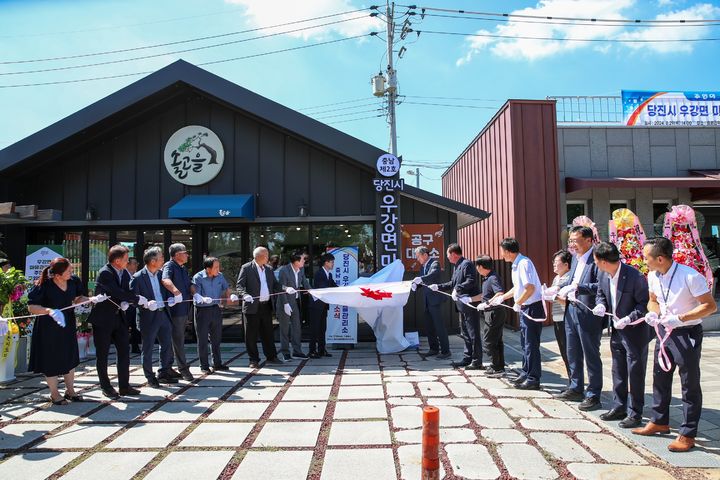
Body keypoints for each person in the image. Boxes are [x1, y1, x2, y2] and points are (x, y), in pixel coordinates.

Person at [633, 237, 717, 452]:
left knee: (689, 383)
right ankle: (659, 420)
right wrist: (653, 313)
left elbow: (709, 306)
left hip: (685, 332)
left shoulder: (690, 276)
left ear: (660, 258)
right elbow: (653, 299)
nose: (644, 262)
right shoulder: (653, 275)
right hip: (663, 331)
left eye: (646, 258)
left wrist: (681, 318)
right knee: (660, 377)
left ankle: (688, 433)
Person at [593, 242, 650, 429]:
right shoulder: (603, 274)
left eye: (596, 261)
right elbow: (601, 293)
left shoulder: (634, 276)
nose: (595, 265)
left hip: (635, 331)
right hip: (616, 330)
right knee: (618, 369)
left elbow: (644, 304)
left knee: (635, 372)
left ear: (603, 261)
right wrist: (601, 304)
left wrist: (629, 318)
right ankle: (619, 407)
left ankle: (635, 413)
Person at [27, 258, 92, 405]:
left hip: (66, 323)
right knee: (51, 358)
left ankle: (71, 391)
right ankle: (54, 393)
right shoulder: (44, 285)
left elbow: (77, 298)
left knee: (69, 355)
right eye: (69, 270)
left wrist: (91, 299)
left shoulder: (73, 281)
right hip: (48, 326)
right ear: (57, 275)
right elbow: (31, 307)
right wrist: (49, 310)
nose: (72, 272)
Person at [555, 226, 604, 410]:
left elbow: (600, 285)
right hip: (571, 309)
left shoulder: (596, 259)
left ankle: (593, 394)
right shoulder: (576, 259)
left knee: (591, 354)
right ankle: (576, 387)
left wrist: (578, 288)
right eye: (571, 240)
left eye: (576, 240)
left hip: (588, 311)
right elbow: (571, 281)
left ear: (589, 240)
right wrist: (558, 288)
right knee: (572, 350)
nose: (572, 244)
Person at [89, 245, 143, 399]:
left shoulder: (124, 272)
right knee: (103, 354)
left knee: (124, 351)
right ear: (117, 260)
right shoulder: (105, 272)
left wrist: (130, 300)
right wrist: (136, 299)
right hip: (103, 319)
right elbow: (116, 292)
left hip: (119, 317)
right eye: (126, 259)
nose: (128, 262)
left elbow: (128, 290)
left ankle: (124, 386)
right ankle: (106, 387)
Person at [490, 238, 544, 390]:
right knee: (525, 343)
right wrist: (502, 297)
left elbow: (530, 288)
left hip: (532, 307)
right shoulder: (516, 265)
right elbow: (517, 288)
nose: (501, 255)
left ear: (507, 251)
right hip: (525, 307)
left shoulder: (523, 263)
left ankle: (533, 378)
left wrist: (518, 302)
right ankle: (526, 372)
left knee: (531, 344)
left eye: (502, 251)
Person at [428, 243, 482, 370]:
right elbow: (453, 282)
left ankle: (476, 360)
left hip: (469, 303)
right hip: (461, 305)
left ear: (453, 254)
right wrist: (438, 286)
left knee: (473, 333)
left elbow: (470, 281)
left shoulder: (467, 264)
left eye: (448, 254)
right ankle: (467, 357)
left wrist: (457, 289)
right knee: (466, 332)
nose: (447, 257)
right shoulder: (456, 266)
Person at [130, 246, 177, 387]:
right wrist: (145, 304)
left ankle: (163, 372)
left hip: (163, 313)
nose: (163, 259)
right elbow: (132, 299)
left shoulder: (161, 274)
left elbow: (165, 292)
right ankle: (150, 377)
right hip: (148, 317)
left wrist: (171, 299)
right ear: (152, 261)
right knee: (148, 347)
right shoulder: (138, 277)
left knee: (167, 345)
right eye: (161, 257)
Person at [237, 247, 291, 368]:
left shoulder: (269, 269)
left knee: (268, 333)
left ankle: (271, 357)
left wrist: (285, 288)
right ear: (259, 257)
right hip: (251, 306)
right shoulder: (246, 268)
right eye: (266, 255)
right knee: (251, 334)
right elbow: (239, 286)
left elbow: (275, 284)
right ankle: (253, 359)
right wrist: (245, 295)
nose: (268, 257)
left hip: (266, 306)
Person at [192, 256, 234, 373]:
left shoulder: (219, 276)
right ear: (208, 268)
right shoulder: (198, 277)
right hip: (202, 310)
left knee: (216, 338)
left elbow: (226, 288)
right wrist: (203, 299)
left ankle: (217, 363)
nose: (218, 269)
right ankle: (204, 366)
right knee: (203, 339)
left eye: (218, 266)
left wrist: (230, 296)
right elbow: (196, 294)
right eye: (216, 267)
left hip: (216, 309)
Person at [161, 243, 194, 382]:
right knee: (177, 340)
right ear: (176, 255)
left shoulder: (182, 268)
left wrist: (196, 293)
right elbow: (165, 279)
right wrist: (175, 291)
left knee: (177, 339)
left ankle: (168, 368)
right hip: (174, 311)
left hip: (183, 309)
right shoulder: (169, 266)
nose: (187, 255)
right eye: (184, 252)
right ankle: (183, 369)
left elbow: (189, 284)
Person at [411, 246, 450, 360]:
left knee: (439, 326)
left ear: (425, 255)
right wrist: (415, 286)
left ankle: (445, 351)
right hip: (427, 300)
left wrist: (420, 279)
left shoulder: (434, 263)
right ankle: (433, 348)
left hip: (435, 300)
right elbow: (423, 282)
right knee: (429, 327)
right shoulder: (423, 267)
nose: (418, 259)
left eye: (418, 256)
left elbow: (432, 275)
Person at [470, 255, 506, 377]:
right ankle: (499, 366)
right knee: (496, 341)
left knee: (489, 341)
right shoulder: (488, 278)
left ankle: (496, 367)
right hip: (491, 311)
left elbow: (500, 293)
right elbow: (484, 295)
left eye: (477, 266)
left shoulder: (493, 278)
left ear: (480, 266)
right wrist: (469, 299)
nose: (476, 268)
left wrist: (486, 304)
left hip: (494, 312)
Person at [277, 252, 311, 361]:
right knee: (284, 329)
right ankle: (285, 352)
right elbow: (281, 289)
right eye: (302, 259)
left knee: (297, 327)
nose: (304, 261)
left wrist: (313, 292)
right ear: (296, 261)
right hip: (284, 302)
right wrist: (286, 304)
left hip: (295, 301)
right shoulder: (284, 270)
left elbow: (305, 283)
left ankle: (297, 351)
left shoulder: (301, 270)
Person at [546, 250, 572, 380]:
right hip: (557, 316)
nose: (554, 265)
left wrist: (553, 295)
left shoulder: (569, 278)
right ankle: (571, 379)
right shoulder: (557, 278)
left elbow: (568, 300)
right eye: (553, 262)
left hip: (566, 318)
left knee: (569, 350)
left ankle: (574, 380)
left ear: (566, 264)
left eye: (557, 262)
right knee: (562, 349)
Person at [308, 253, 338, 358]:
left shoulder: (329, 274)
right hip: (316, 306)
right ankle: (312, 351)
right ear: (326, 262)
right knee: (315, 329)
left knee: (322, 329)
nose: (333, 264)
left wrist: (346, 290)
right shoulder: (319, 274)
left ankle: (321, 350)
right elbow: (324, 288)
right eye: (332, 262)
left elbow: (334, 286)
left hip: (323, 306)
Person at [126, 257, 141, 354]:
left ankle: (135, 346)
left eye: (136, 263)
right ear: (128, 264)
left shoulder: (137, 276)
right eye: (134, 263)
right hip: (126, 305)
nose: (136, 265)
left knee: (135, 327)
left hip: (135, 305)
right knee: (125, 327)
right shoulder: (124, 275)